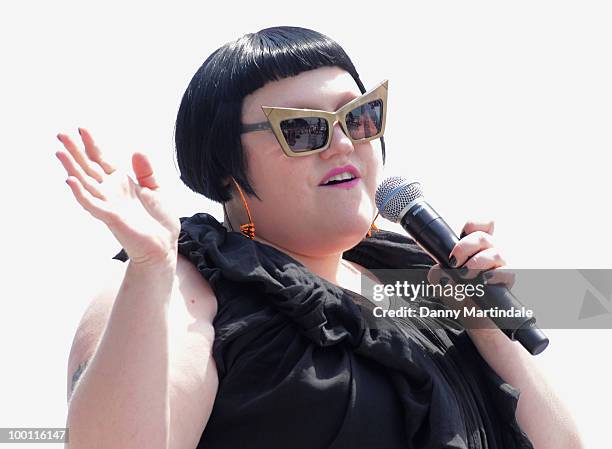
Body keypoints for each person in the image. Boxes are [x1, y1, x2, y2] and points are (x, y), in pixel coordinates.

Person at [56, 26, 583, 449]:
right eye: (303, 129)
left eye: (359, 118)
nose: (340, 144)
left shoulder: (421, 279)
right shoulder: (183, 274)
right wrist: (149, 268)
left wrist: (486, 328)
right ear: (225, 171)